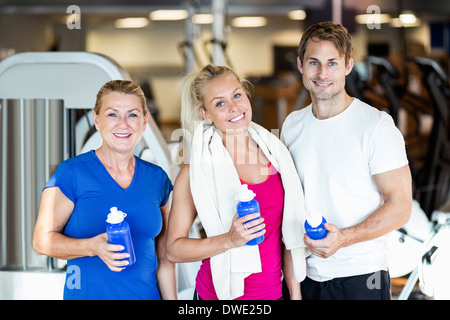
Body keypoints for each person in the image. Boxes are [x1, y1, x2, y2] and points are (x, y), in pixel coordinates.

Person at [281, 21, 412, 300]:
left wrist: (344, 238)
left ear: (348, 66)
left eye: (332, 63)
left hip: (361, 276)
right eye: (313, 62)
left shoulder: (375, 126)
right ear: (300, 65)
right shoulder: (292, 125)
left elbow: (400, 207)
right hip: (307, 276)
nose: (322, 73)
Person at [166, 64, 308, 300]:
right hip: (218, 296)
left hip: (273, 294)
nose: (234, 107)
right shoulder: (196, 171)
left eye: (237, 95)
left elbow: (289, 235)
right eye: (220, 103)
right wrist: (228, 240)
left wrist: (295, 294)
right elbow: (174, 250)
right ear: (205, 114)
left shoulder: (277, 156)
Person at [33, 80, 176, 300]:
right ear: (97, 119)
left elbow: (165, 258)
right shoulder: (70, 174)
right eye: (112, 114)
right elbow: (41, 241)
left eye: (132, 114)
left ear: (145, 121)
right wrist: (91, 247)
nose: (123, 124)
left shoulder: (157, 179)